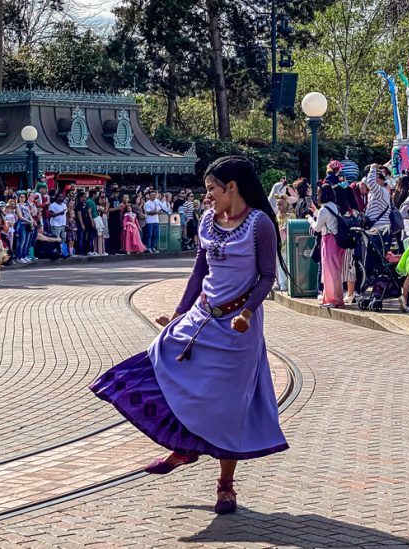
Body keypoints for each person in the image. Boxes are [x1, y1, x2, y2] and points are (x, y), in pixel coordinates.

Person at [89, 156, 288, 516]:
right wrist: (179, 313)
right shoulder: (209, 220)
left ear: (232, 187)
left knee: (229, 405)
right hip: (201, 317)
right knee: (162, 360)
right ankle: (184, 446)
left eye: (212, 188)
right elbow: (200, 270)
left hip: (238, 328)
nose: (207, 196)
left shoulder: (260, 225)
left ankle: (226, 486)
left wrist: (246, 313)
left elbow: (267, 277)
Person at [309, 184, 345, 308]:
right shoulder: (335, 207)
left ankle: (332, 300)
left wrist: (310, 219)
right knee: (336, 271)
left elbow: (317, 227)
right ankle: (335, 298)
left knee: (329, 271)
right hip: (337, 241)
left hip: (328, 240)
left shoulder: (324, 210)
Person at [274, 194, 295, 292]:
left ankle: (287, 283)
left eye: (280, 204)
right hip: (279, 244)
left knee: (287, 263)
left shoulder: (291, 215)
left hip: (288, 244)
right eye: (277, 205)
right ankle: (281, 282)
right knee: (279, 263)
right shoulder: (277, 216)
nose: (279, 207)